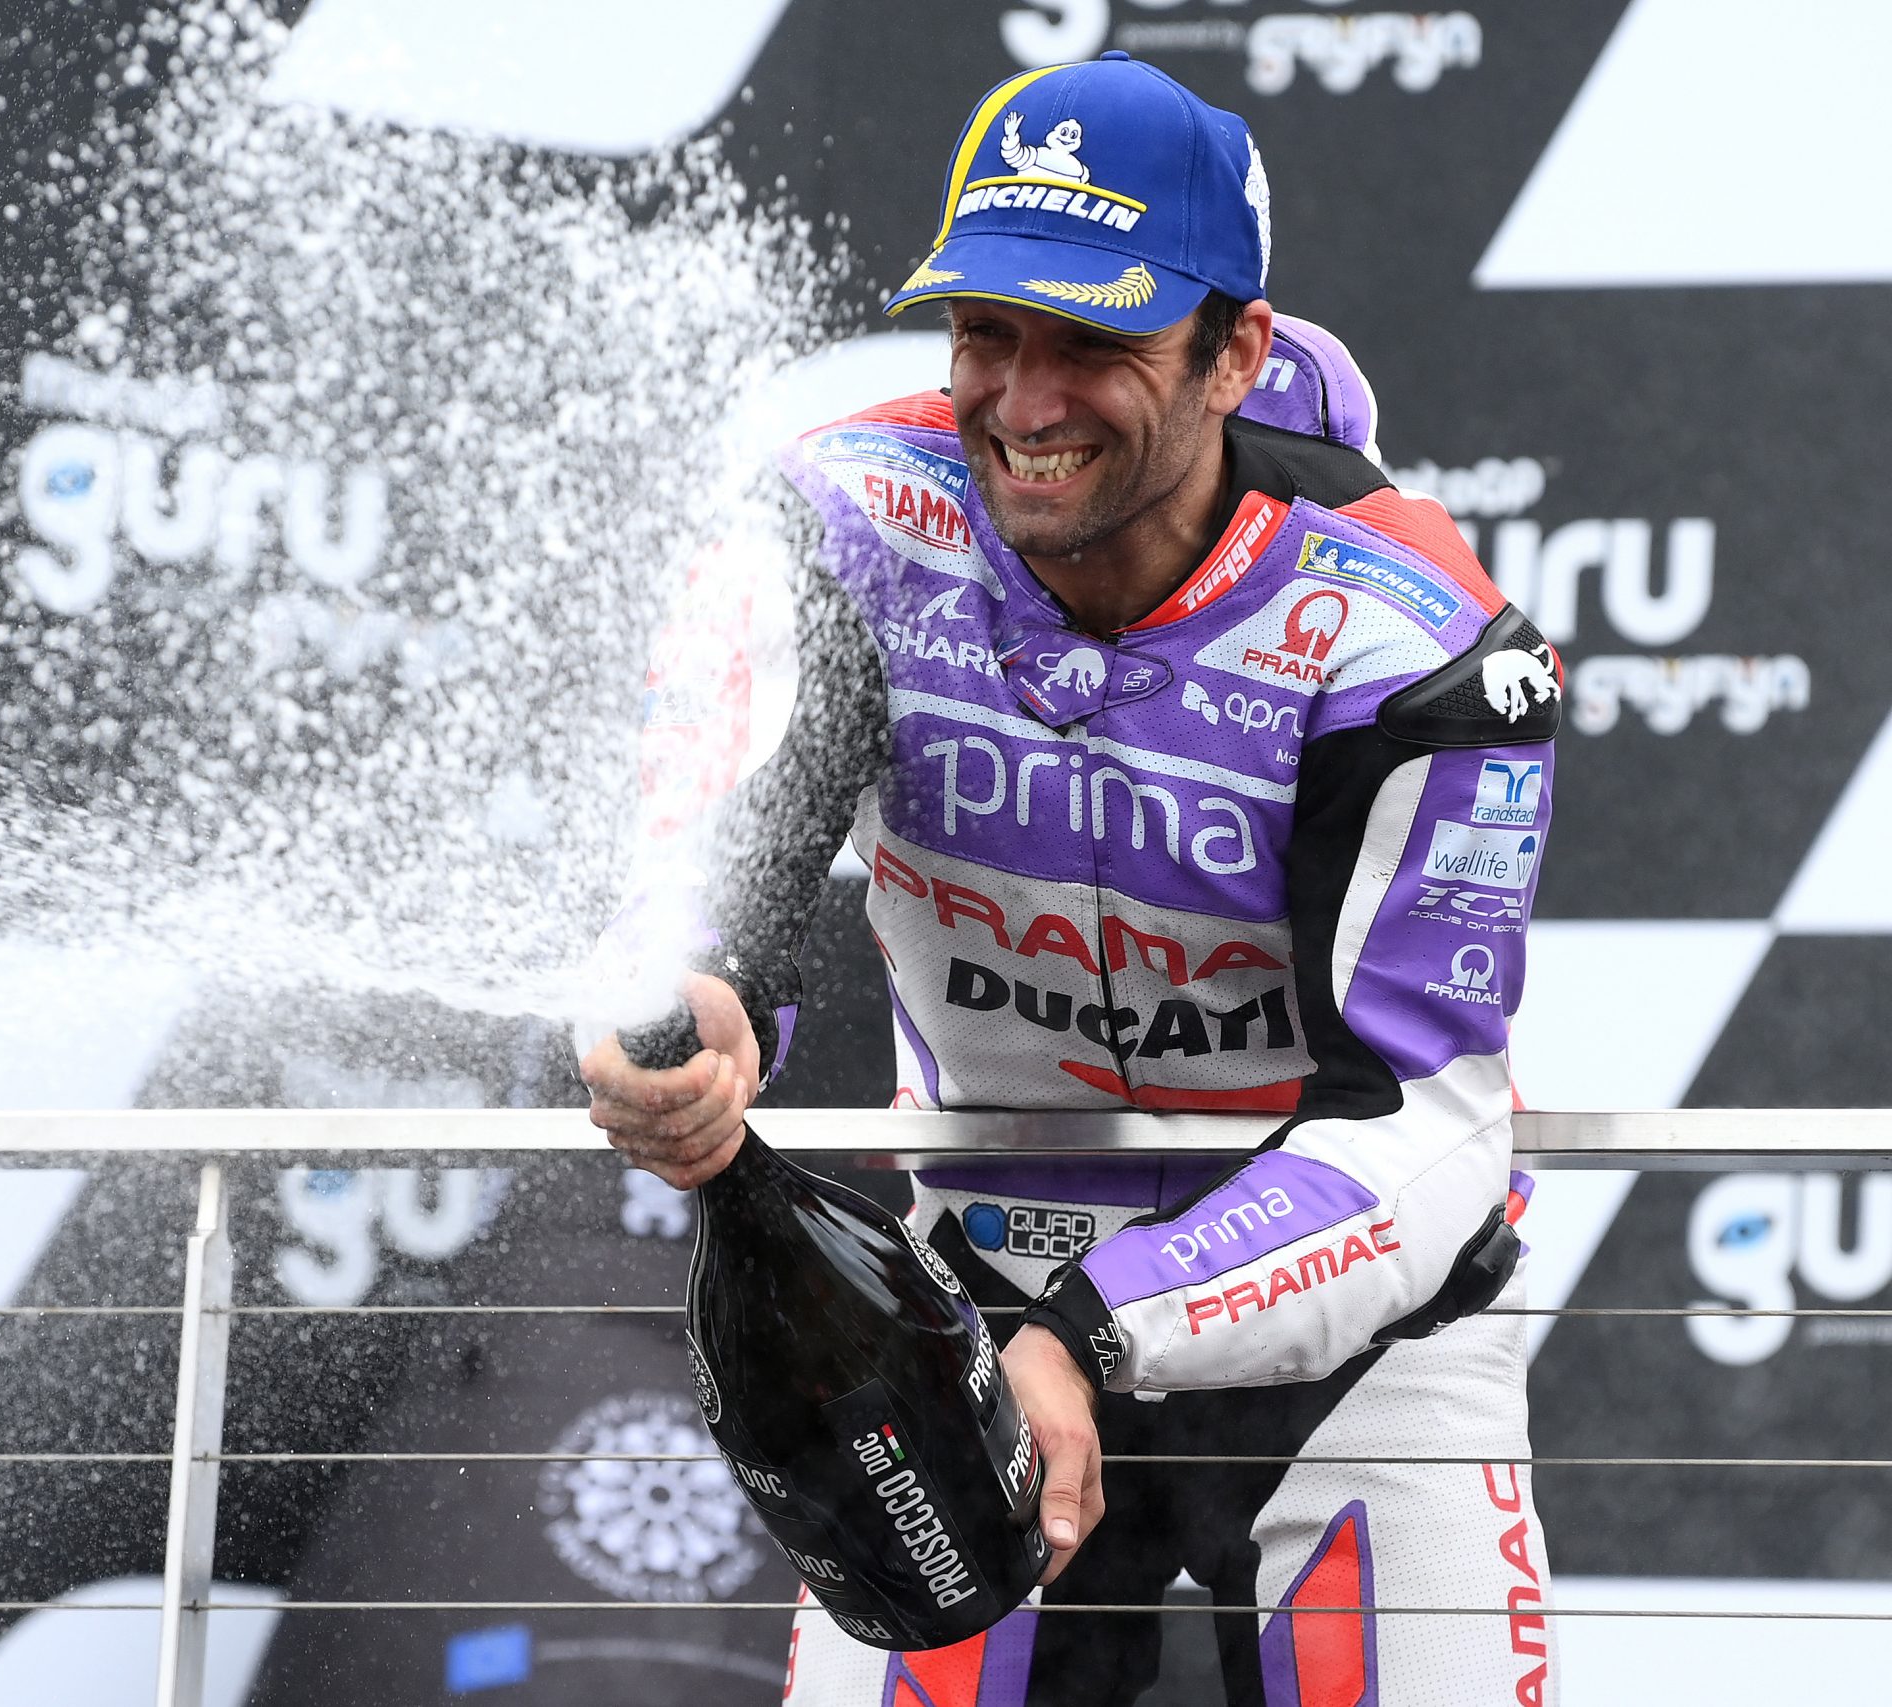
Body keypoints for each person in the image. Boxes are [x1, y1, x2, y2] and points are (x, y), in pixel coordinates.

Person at [580, 53, 1561, 1707]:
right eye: (986, 333)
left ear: (1234, 352)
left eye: (1094, 344)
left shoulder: (1417, 632)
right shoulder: (837, 528)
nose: (1026, 404)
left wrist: (1099, 1333)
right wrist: (691, 1006)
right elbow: (702, 875)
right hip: (973, 1302)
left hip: (1360, 1341)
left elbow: (1429, 1139)